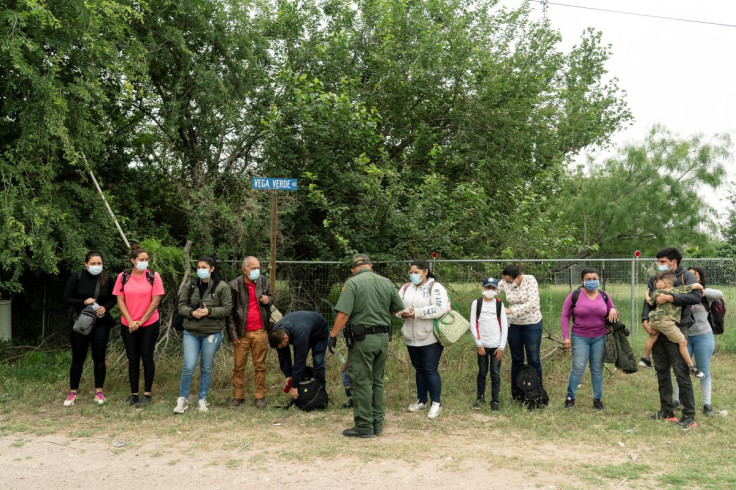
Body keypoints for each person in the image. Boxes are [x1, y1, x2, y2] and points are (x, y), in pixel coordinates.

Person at [328, 254, 404, 438]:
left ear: (353, 269)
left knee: (361, 381)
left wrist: (332, 335)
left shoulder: (352, 283)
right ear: (370, 266)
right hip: (383, 339)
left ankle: (364, 426)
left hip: (363, 341)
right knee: (377, 381)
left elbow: (344, 314)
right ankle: (377, 424)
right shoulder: (386, 282)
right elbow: (397, 309)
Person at [642, 247, 702, 430]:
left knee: (680, 371)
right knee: (661, 370)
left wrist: (671, 298)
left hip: (677, 328)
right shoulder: (656, 279)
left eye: (662, 262)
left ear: (673, 262)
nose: (659, 265)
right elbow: (648, 300)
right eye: (658, 262)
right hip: (657, 329)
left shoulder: (686, 277)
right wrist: (645, 320)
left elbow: (695, 296)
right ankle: (667, 411)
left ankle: (689, 415)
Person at [173, 256, 232, 414]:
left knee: (206, 367)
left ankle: (202, 399)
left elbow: (227, 309)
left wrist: (209, 311)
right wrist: (192, 313)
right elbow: (181, 306)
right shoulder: (190, 285)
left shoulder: (222, 287)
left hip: (211, 333)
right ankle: (183, 399)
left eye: (204, 267)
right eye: (198, 267)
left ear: (212, 269)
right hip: (191, 332)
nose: (200, 270)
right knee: (189, 366)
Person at [397, 259, 451, 419]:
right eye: (411, 273)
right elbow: (397, 306)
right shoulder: (406, 288)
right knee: (419, 369)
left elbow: (441, 308)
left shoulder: (435, 288)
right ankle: (422, 400)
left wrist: (417, 313)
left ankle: (436, 403)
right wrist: (402, 313)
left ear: (425, 271)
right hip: (410, 337)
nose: (413, 275)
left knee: (430, 369)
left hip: (430, 337)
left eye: (416, 272)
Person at [61, 252, 116, 406]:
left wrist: (105, 308)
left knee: (99, 358)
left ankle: (99, 392)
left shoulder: (108, 279)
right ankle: (73, 393)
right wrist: (83, 302)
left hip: (101, 323)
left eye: (99, 263)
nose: (96, 266)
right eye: (93, 263)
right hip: (81, 323)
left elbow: (115, 298)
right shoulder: (76, 277)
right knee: (78, 358)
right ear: (86, 264)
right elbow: (66, 298)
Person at [560, 267, 618, 411]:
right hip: (580, 337)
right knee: (578, 367)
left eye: (594, 279)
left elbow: (613, 309)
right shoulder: (575, 295)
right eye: (588, 279)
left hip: (599, 337)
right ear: (582, 281)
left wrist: (612, 309)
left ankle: (597, 399)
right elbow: (564, 316)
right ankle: (570, 398)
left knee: (597, 369)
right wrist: (565, 337)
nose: (592, 282)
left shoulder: (604, 295)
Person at [114, 244, 165, 408]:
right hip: (128, 323)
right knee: (133, 358)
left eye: (147, 259)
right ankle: (134, 393)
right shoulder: (123, 277)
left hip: (148, 323)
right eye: (141, 259)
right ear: (133, 260)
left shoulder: (153, 276)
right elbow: (120, 300)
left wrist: (140, 322)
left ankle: (147, 394)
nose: (145, 262)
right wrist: (130, 321)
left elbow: (155, 300)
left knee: (147, 357)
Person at [672, 266, 723, 416]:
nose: (691, 277)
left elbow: (720, 294)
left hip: (703, 337)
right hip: (684, 338)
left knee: (703, 370)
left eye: (694, 275)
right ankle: (677, 401)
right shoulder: (681, 293)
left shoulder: (705, 295)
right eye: (688, 275)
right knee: (681, 370)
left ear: (699, 278)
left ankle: (707, 405)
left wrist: (699, 290)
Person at [226, 256, 273, 409]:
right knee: (239, 366)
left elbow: (271, 298)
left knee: (260, 366)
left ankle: (260, 396)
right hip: (242, 333)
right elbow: (230, 313)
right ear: (244, 269)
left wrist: (268, 299)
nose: (256, 271)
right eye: (253, 268)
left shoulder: (263, 281)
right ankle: (238, 396)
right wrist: (233, 335)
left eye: (258, 268)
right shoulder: (234, 285)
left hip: (260, 331)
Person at [642, 271, 705, 378]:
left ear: (665, 283)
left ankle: (645, 358)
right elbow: (693, 286)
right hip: (666, 322)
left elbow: (649, 302)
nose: (655, 283)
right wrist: (700, 287)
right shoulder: (677, 290)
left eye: (657, 281)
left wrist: (646, 295)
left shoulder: (657, 292)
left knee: (653, 337)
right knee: (683, 342)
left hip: (654, 320)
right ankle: (691, 366)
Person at [496, 264, 544, 401]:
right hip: (513, 325)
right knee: (517, 359)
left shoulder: (530, 280)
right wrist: (489, 293)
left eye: (510, 281)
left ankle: (537, 393)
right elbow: (493, 290)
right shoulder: (504, 281)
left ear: (518, 277)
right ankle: (517, 394)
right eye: (505, 280)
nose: (507, 283)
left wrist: (511, 311)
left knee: (533, 359)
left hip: (532, 324)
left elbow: (533, 303)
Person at [268, 311, 330, 401]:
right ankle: (304, 390)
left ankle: (321, 392)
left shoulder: (300, 332)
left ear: (285, 337)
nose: (280, 348)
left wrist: (294, 386)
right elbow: (283, 357)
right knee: (298, 366)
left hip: (319, 333)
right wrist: (288, 375)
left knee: (318, 361)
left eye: (281, 346)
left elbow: (299, 360)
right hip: (304, 330)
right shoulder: (277, 332)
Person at [468, 277, 508, 411]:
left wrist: (501, 347)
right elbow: (473, 324)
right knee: (482, 372)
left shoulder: (499, 304)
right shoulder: (476, 303)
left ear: (496, 290)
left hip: (496, 346)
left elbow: (504, 326)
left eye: (493, 288)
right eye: (487, 287)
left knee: (495, 374)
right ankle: (480, 398)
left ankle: (495, 401)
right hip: (482, 346)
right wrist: (479, 344)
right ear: (483, 288)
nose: (490, 290)